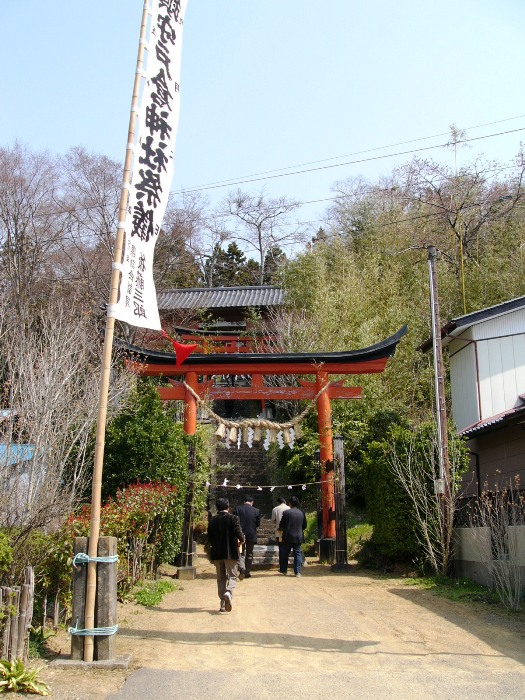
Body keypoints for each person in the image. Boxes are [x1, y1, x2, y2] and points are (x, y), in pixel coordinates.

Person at [207, 497, 245, 612]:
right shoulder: (234, 518)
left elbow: (209, 537)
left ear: (217, 507)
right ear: (228, 507)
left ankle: (222, 604)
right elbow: (239, 534)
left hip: (217, 553)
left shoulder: (213, 520)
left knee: (221, 578)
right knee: (232, 576)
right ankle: (229, 592)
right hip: (231, 552)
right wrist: (242, 539)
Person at [278, 495, 307, 577]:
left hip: (288, 536)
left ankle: (284, 570)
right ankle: (297, 571)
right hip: (298, 535)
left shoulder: (286, 513)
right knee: (297, 553)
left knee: (285, 553)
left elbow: (281, 525)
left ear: (289, 504)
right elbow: (304, 525)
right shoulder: (302, 513)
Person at [234, 494, 260, 579]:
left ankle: (242, 569)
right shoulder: (256, 510)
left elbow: (234, 522)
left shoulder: (238, 509)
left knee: (240, 553)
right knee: (249, 554)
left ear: (244, 501)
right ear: (252, 502)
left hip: (239, 534)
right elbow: (257, 524)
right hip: (251, 534)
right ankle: (247, 572)